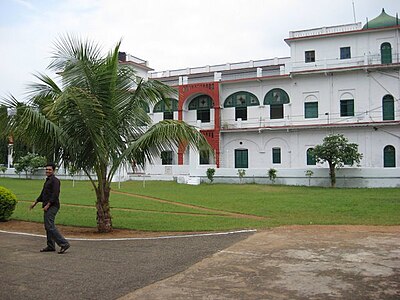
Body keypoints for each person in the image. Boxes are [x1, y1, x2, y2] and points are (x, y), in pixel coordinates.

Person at [30, 163, 70, 254]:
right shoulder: (48, 180)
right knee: (47, 226)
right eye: (46, 169)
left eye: (49, 170)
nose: (47, 171)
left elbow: (55, 195)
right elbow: (43, 193)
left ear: (53, 170)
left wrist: (48, 205)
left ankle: (64, 243)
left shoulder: (55, 181)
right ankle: (51, 246)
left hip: (53, 206)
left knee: (50, 226)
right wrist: (35, 202)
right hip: (46, 206)